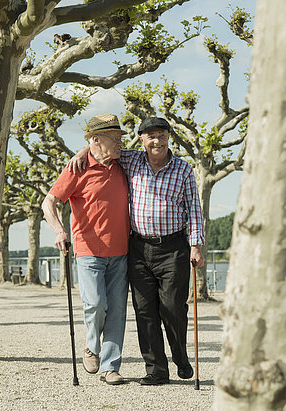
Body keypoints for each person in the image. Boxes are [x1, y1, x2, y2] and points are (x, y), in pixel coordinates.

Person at [70, 117, 205, 386]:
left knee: (173, 307)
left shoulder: (183, 169)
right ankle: (156, 369)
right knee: (144, 311)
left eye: (162, 135)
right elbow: (101, 147)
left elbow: (195, 210)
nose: (157, 140)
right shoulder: (130, 160)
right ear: (142, 140)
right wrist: (84, 149)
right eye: (151, 136)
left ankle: (179, 355)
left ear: (169, 137)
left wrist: (196, 245)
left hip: (173, 248)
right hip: (139, 248)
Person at [42, 114, 130, 386]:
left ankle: (110, 367)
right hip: (88, 251)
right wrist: (59, 230)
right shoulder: (76, 169)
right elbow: (49, 203)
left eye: (120, 138)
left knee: (117, 310)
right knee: (95, 304)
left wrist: (85, 148)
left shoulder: (123, 162)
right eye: (114, 139)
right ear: (96, 140)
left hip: (121, 251)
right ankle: (92, 347)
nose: (120, 143)